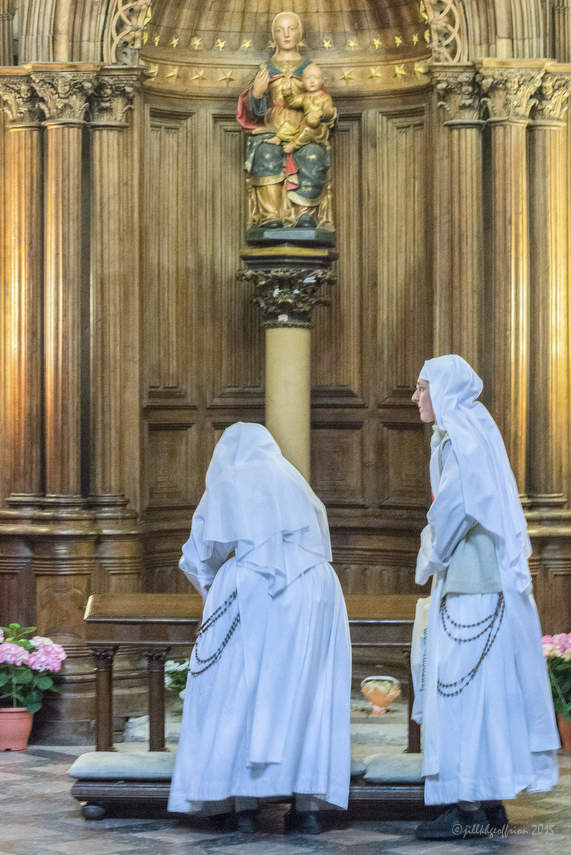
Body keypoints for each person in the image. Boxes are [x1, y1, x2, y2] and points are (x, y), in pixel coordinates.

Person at [168, 422, 351, 834]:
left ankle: (242, 802)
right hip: (315, 589)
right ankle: (307, 806)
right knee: (308, 692)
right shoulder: (294, 481)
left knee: (237, 691)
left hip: (253, 588)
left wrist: (211, 582)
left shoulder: (232, 478)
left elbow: (202, 552)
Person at [410, 355, 559, 841]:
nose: (415, 398)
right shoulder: (471, 432)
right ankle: (489, 801)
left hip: (474, 590)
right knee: (485, 694)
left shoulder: (462, 439)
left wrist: (431, 550)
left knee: (463, 694)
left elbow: (457, 507)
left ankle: (469, 806)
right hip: (482, 586)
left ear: (443, 391)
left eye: (421, 388)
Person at [236, 11, 334, 229]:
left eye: (291, 29)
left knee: (313, 154)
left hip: (304, 130)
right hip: (272, 128)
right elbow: (253, 112)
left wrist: (322, 115)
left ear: (300, 33)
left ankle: (304, 214)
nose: (286, 35)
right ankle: (270, 216)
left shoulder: (310, 70)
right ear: (274, 35)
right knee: (265, 152)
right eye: (280, 30)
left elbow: (326, 103)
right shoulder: (265, 69)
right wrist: (258, 94)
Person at [268, 64, 337, 154]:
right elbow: (292, 103)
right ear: (303, 82)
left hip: (318, 129)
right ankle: (278, 138)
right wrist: (287, 92)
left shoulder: (325, 98)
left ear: (322, 80)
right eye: (308, 78)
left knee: (307, 131)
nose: (312, 81)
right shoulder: (305, 97)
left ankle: (294, 145)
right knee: (289, 125)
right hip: (304, 123)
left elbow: (330, 112)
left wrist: (321, 114)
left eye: (315, 78)